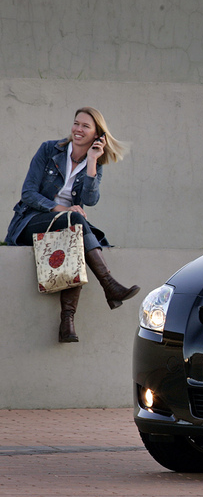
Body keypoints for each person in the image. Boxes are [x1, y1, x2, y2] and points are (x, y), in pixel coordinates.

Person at [5, 107, 140, 343]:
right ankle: (108, 285)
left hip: (67, 227)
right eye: (76, 123)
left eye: (85, 126)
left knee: (74, 239)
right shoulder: (49, 150)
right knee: (76, 221)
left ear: (97, 134)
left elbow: (90, 200)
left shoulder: (94, 162)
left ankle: (67, 323)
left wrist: (92, 161)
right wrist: (63, 210)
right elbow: (28, 193)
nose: (78, 129)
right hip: (30, 222)